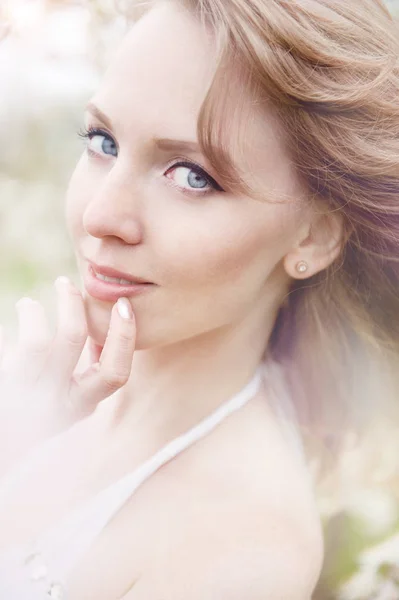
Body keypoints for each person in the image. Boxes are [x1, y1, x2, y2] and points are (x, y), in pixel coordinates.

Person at [0, 0, 398, 597]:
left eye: (192, 177)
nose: (101, 215)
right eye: (103, 141)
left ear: (313, 236)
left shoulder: (241, 547)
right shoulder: (42, 372)